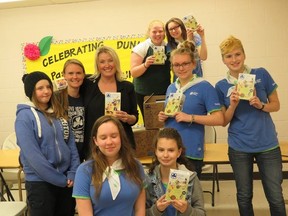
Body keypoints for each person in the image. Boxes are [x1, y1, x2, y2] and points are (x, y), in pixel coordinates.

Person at [215, 35, 287, 216]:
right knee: (244, 196)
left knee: (276, 196)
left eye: (237, 54)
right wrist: (233, 105)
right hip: (239, 147)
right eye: (229, 56)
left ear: (244, 55)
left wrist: (260, 104)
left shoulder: (260, 74)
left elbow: (276, 105)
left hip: (268, 145)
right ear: (223, 60)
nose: (234, 59)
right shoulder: (221, 86)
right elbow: (223, 121)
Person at [15, 71, 80, 216]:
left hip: (65, 182)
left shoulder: (58, 113)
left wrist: (73, 173)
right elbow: (33, 158)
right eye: (40, 88)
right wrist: (60, 180)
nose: (46, 91)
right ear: (32, 91)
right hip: (40, 184)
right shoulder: (24, 117)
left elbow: (71, 146)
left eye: (48, 87)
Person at [158, 41, 224, 177]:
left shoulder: (205, 87)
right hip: (169, 153)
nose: (181, 68)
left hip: (191, 152)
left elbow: (219, 119)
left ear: (193, 64)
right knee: (170, 195)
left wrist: (190, 117)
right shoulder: (171, 88)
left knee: (187, 196)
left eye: (185, 64)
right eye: (176, 65)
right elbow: (169, 117)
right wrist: (163, 117)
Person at [72, 115, 146, 216]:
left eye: (114, 136)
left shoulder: (135, 166)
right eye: (103, 137)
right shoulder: (84, 171)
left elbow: (140, 211)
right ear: (95, 141)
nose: (109, 142)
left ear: (121, 137)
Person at [82, 46, 138, 159]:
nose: (107, 65)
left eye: (110, 60)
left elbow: (134, 118)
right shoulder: (87, 85)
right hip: (95, 147)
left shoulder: (128, 87)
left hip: (122, 146)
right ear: (97, 65)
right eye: (102, 62)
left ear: (116, 62)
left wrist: (127, 118)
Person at [145, 127, 206, 216]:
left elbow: (202, 213)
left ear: (179, 152)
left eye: (171, 150)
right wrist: (156, 209)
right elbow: (140, 213)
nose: (165, 155)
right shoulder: (147, 179)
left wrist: (187, 210)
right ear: (156, 151)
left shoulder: (191, 178)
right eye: (161, 150)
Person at [131, 20, 171, 117]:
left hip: (164, 91)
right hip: (144, 93)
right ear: (149, 33)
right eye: (154, 31)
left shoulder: (168, 47)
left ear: (164, 33)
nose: (158, 34)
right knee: (150, 123)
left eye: (160, 31)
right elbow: (134, 73)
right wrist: (145, 64)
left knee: (164, 121)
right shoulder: (141, 48)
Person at [59, 58, 86, 162]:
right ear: (64, 75)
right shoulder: (57, 98)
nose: (75, 77)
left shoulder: (87, 98)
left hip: (82, 155)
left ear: (84, 75)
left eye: (78, 73)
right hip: (63, 156)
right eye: (70, 73)